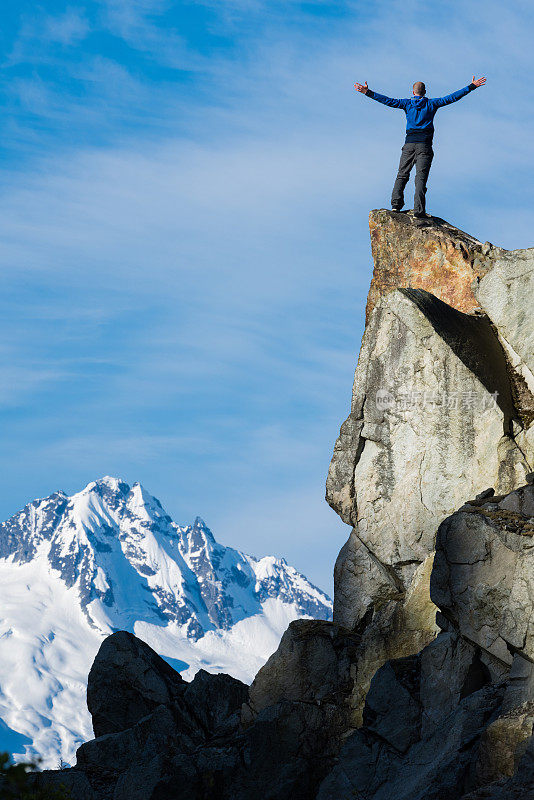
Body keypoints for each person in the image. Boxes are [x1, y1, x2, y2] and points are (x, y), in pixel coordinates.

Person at [354, 76, 486, 217]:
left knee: (402, 174)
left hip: (409, 144)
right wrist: (471, 86)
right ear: (425, 92)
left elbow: (388, 101)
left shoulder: (406, 104)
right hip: (424, 145)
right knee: (420, 178)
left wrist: (367, 92)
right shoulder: (432, 104)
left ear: (413, 92)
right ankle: (419, 211)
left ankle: (395, 205)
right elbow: (452, 97)